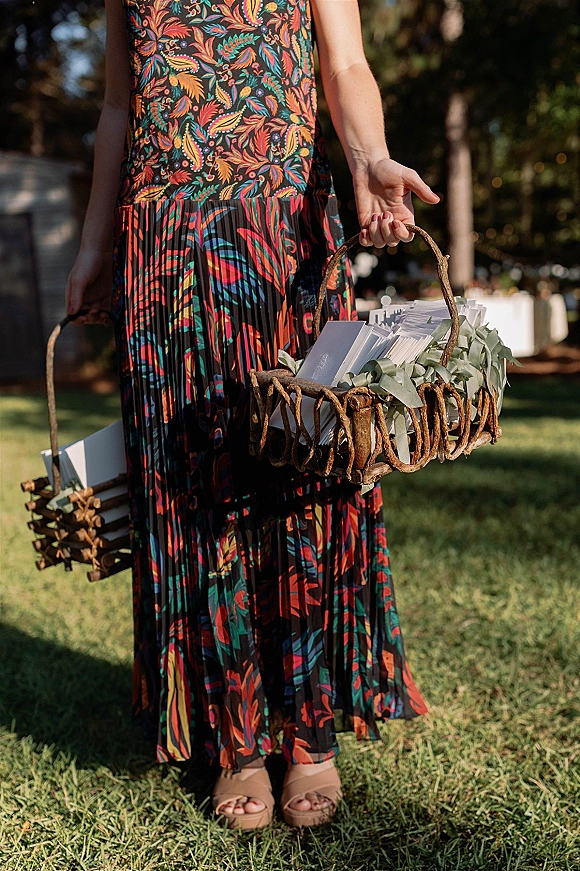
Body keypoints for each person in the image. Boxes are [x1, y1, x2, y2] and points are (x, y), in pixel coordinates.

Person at [65, 0, 439, 831]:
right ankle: (236, 738)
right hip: (162, 247)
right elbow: (120, 109)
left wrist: (368, 159)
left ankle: (309, 736)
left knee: (301, 469)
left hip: (283, 237)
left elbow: (343, 66)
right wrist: (95, 246)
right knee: (196, 484)